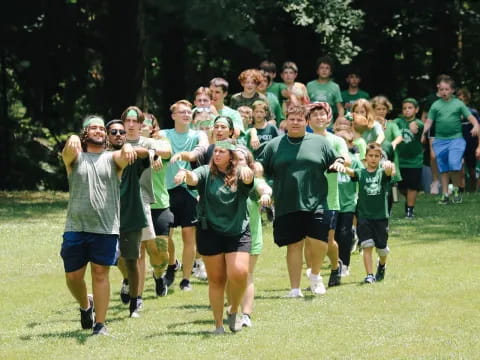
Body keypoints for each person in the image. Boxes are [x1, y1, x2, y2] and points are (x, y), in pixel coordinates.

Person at [258, 105, 347, 297]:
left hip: (317, 201)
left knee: (320, 240)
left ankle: (315, 274)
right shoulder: (274, 145)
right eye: (292, 119)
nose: (296, 122)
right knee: (294, 245)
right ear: (286, 122)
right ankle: (295, 289)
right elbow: (260, 166)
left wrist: (338, 163)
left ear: (306, 122)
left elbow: (336, 159)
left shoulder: (319, 142)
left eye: (300, 119)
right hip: (287, 202)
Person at [60, 115, 134, 335]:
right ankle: (86, 305)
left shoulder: (113, 159)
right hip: (76, 227)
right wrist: (72, 137)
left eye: (102, 129)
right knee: (73, 277)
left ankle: (100, 324)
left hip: (105, 228)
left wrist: (128, 143)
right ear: (85, 133)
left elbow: (124, 155)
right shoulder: (74, 158)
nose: (99, 131)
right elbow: (66, 153)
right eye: (94, 128)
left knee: (100, 274)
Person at [173, 140, 254, 334]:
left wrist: (249, 176)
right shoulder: (205, 171)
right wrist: (185, 174)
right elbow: (194, 178)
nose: (216, 154)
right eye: (215, 151)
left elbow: (250, 181)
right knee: (217, 279)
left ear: (231, 156)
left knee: (239, 272)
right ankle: (218, 325)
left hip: (237, 230)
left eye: (222, 151)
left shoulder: (240, 173)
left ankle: (234, 309)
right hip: (209, 230)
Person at [117, 106, 172, 310]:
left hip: (142, 201)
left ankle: (149, 284)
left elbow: (167, 149)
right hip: (116, 204)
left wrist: (153, 153)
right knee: (124, 253)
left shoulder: (148, 141)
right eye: (127, 121)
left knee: (149, 250)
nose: (130, 125)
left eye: (135, 121)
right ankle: (131, 286)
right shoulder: (116, 141)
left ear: (141, 125)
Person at [160, 100, 209, 291]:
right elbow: (155, 144)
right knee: (166, 236)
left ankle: (186, 279)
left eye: (189, 112)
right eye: (182, 112)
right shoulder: (164, 134)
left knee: (190, 237)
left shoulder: (199, 134)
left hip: (189, 191)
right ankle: (172, 264)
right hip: (166, 190)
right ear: (173, 116)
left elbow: (202, 149)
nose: (187, 114)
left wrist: (186, 155)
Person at [106, 119, 151, 318]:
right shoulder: (101, 157)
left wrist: (129, 147)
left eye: (121, 132)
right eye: (113, 132)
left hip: (131, 216)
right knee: (112, 258)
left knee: (132, 261)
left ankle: (135, 302)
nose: (118, 134)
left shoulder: (132, 157)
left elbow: (146, 154)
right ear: (107, 136)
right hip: (105, 218)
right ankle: (125, 283)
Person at [304, 102, 349, 286]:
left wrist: (338, 162)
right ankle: (313, 277)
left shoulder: (336, 140)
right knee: (308, 239)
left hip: (329, 197)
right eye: (315, 115)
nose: (319, 118)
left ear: (329, 117)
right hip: (306, 197)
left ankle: (334, 266)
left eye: (322, 114)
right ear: (308, 120)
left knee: (328, 240)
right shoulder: (303, 140)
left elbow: (346, 159)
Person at [231, 145, 272, 327]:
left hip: (250, 236)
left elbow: (264, 187)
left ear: (249, 164)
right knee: (229, 276)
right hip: (226, 237)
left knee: (246, 274)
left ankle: (246, 314)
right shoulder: (222, 181)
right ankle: (233, 310)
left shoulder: (253, 182)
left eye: (241, 160)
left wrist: (265, 195)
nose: (236, 163)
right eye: (234, 159)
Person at [343, 143, 395, 284]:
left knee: (382, 250)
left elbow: (391, 171)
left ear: (380, 158)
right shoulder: (361, 172)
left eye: (376, 156)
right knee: (367, 245)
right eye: (370, 156)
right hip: (364, 217)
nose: (373, 159)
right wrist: (341, 166)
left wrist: (390, 167)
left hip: (381, 217)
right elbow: (351, 172)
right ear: (365, 157)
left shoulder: (383, 173)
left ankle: (382, 265)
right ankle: (369, 275)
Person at [422, 78, 480, 204]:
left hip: (456, 139)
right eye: (441, 89)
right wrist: (423, 133)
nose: (444, 92)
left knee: (454, 164)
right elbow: (429, 122)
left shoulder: (458, 104)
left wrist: (475, 125)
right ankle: (445, 194)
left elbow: (472, 118)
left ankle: (456, 190)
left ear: (452, 90)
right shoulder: (436, 105)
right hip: (440, 141)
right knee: (443, 168)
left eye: (447, 89)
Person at [334, 127, 363, 276]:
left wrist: (349, 170)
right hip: (331, 203)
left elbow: (361, 176)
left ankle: (344, 264)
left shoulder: (355, 161)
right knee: (333, 236)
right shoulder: (329, 160)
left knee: (344, 234)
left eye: (345, 144)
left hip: (348, 203)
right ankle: (335, 263)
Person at [420, 74, 452, 195]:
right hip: (433, 132)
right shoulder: (430, 99)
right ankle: (435, 181)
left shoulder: (452, 99)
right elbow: (424, 117)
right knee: (433, 156)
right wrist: (423, 133)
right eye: (441, 84)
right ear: (438, 85)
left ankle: (446, 184)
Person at [394, 98, 424, 218]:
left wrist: (414, 128)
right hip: (399, 161)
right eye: (404, 108)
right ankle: (410, 199)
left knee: (412, 186)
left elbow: (417, 128)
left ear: (416, 110)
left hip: (415, 161)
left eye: (410, 108)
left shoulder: (419, 123)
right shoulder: (397, 122)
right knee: (402, 188)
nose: (407, 110)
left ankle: (409, 211)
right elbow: (389, 126)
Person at [456, 87, 480, 192]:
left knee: (472, 170)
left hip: (471, 145)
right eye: (458, 99)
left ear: (466, 99)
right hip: (458, 145)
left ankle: (473, 191)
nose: (460, 101)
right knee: (460, 170)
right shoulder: (454, 114)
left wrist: (479, 146)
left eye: (462, 99)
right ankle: (461, 192)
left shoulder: (473, 113)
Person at [307, 55, 344, 122]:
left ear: (330, 72)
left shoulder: (335, 87)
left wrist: (340, 118)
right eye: (321, 68)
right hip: (311, 124)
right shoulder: (309, 85)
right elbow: (304, 105)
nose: (324, 70)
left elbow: (340, 108)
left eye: (327, 68)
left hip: (328, 124)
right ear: (317, 71)